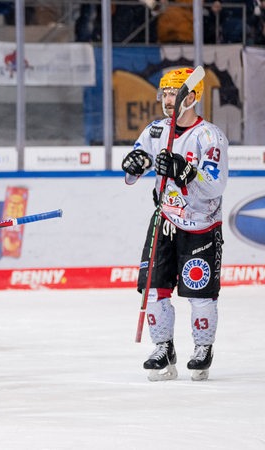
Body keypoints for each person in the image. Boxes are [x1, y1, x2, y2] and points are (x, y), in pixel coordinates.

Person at [121, 67, 228, 382]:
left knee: (199, 293)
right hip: (165, 221)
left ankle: (202, 349)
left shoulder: (210, 136)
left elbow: (215, 185)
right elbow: (132, 174)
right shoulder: (155, 131)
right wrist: (133, 166)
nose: (169, 100)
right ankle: (162, 348)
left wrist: (186, 171)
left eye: (175, 93)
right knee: (154, 289)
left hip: (200, 226)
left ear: (192, 97)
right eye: (165, 93)